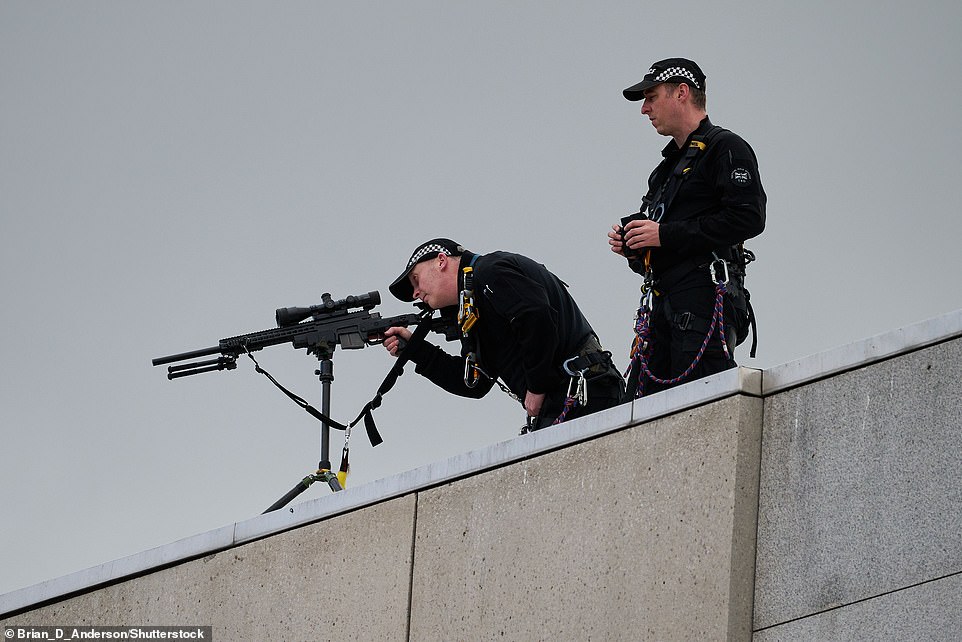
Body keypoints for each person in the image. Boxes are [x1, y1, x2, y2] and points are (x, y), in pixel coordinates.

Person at [608, 58, 766, 398]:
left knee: (704, 405)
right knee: (637, 409)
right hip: (665, 308)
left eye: (651, 97)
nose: (645, 109)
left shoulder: (726, 148)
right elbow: (662, 250)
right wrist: (635, 246)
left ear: (681, 93)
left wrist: (663, 234)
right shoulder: (664, 171)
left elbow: (749, 217)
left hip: (705, 302)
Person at [383, 238, 624, 431]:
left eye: (416, 280)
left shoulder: (489, 271)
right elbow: (473, 384)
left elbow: (536, 316)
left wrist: (537, 387)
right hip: (565, 401)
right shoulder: (472, 308)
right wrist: (416, 350)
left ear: (441, 260)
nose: (415, 293)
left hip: (584, 392)